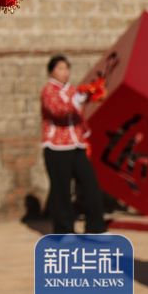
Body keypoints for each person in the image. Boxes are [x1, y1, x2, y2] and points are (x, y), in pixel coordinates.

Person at [40, 54, 106, 234]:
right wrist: (74, 102)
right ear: (51, 71)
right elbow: (57, 111)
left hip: (76, 145)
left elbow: (79, 115)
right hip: (57, 147)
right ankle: (64, 230)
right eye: (60, 68)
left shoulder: (72, 90)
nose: (65, 72)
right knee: (62, 190)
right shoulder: (48, 91)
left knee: (90, 185)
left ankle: (96, 227)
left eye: (66, 68)